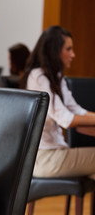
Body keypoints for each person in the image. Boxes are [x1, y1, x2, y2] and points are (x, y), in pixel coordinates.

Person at [20, 25, 95, 179]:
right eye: (68, 49)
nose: (73, 54)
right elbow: (66, 119)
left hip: (57, 153)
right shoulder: (38, 77)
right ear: (54, 51)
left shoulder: (56, 76)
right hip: (44, 158)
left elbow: (76, 110)